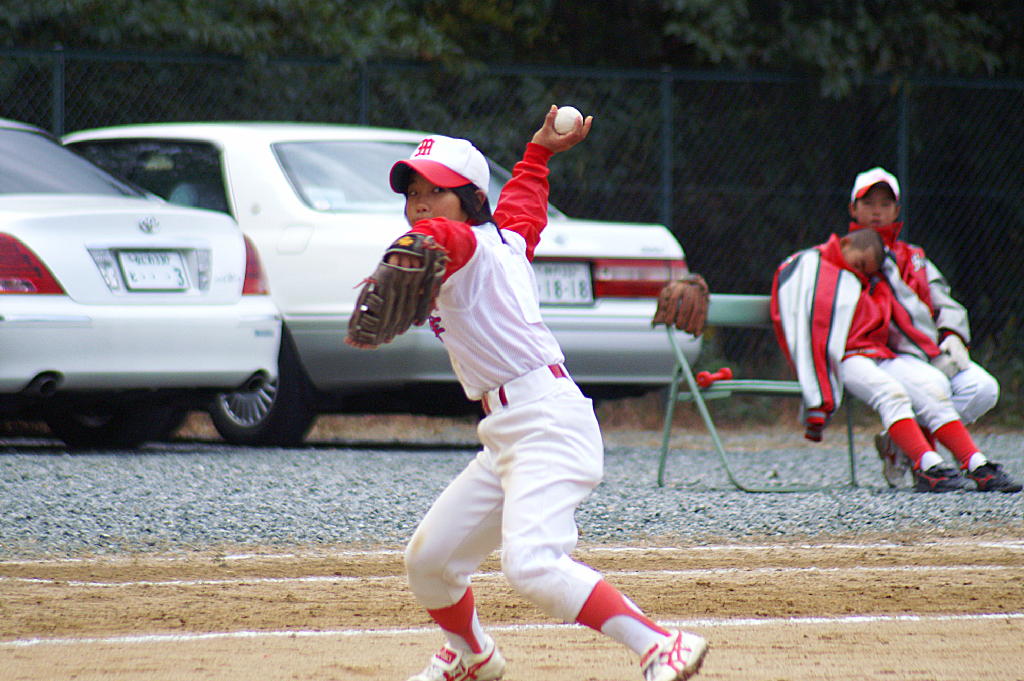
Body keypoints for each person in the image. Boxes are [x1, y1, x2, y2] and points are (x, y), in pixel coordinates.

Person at [347, 107, 708, 681]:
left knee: (532, 563)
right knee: (429, 561)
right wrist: (538, 154)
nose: (420, 203)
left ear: (470, 200)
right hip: (506, 432)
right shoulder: (506, 239)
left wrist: (426, 235)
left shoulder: (464, 243)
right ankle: (472, 655)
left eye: (435, 191)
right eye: (412, 192)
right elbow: (523, 205)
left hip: (548, 422)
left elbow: (449, 237)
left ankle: (662, 644)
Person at [771, 227, 1021, 493]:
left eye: (867, 269)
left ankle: (976, 464)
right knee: (890, 393)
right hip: (842, 356)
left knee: (933, 390)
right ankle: (928, 467)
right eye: (859, 263)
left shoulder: (878, 278)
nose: (860, 272)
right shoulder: (813, 264)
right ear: (845, 244)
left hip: (879, 352)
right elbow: (805, 313)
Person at [846, 167, 1001, 487]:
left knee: (983, 388)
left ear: (897, 211)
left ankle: (902, 442)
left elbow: (944, 302)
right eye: (868, 203)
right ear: (853, 209)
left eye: (885, 204)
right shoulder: (843, 255)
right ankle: (928, 458)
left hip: (924, 352)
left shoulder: (914, 257)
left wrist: (953, 334)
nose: (877, 211)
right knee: (934, 386)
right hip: (878, 355)